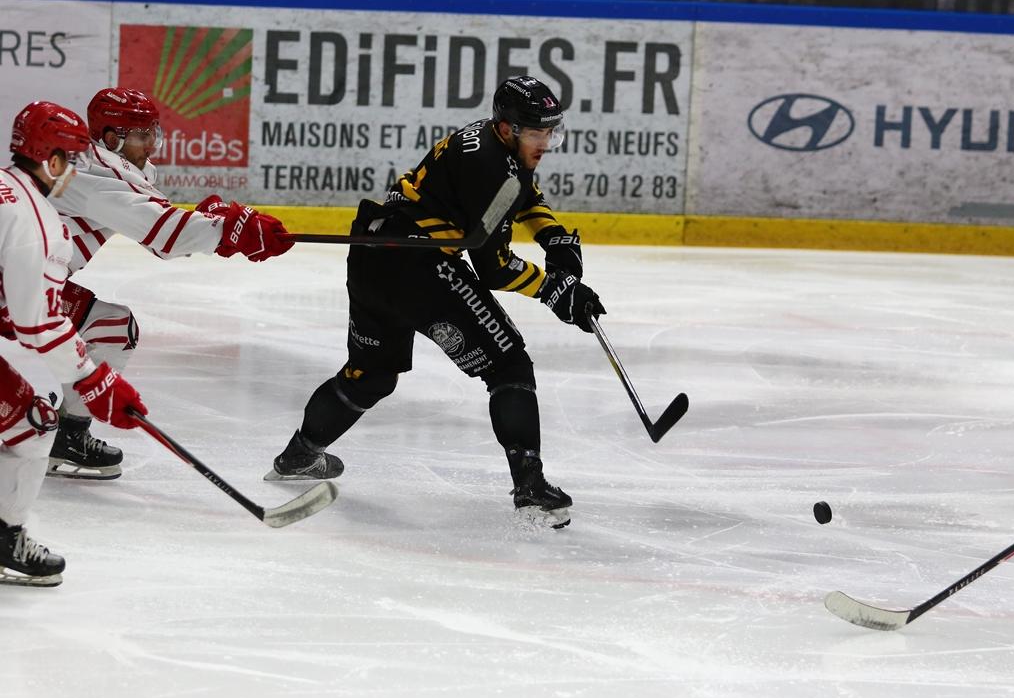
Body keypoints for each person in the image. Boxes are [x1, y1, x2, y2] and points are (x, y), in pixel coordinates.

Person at [268, 75, 604, 529]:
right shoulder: (492, 169)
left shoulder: (493, 142)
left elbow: (523, 191)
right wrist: (557, 290)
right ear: (509, 128)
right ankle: (530, 488)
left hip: (373, 255)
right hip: (419, 267)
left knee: (372, 375)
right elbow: (496, 268)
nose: (545, 143)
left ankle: (299, 455)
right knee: (509, 366)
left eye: (551, 132)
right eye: (537, 133)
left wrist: (553, 236)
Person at [46, 87, 293, 480]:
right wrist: (229, 229)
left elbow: (155, 227)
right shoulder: (99, 172)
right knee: (112, 329)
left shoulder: (97, 162)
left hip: (25, 276)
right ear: (111, 137)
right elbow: (165, 235)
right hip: (16, 283)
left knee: (104, 327)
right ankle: (66, 437)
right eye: (141, 135)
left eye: (152, 133)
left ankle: (52, 428)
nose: (151, 144)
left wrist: (215, 221)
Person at [0, 102, 148, 586]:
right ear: (53, 159)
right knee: (32, 425)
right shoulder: (36, 222)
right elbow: (38, 325)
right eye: (74, 159)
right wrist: (93, 379)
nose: (77, 170)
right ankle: (4, 538)